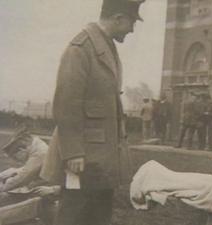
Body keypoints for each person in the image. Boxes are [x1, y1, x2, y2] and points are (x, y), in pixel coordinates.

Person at [41, 1, 146, 225]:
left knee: (99, 214)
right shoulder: (80, 48)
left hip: (103, 156)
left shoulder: (106, 46)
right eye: (131, 22)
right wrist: (72, 152)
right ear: (118, 18)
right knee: (75, 214)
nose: (132, 29)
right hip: (83, 156)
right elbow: (66, 104)